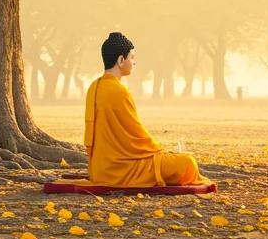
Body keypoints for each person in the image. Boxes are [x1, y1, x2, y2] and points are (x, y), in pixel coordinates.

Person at [83, 31, 210, 187]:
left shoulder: (93, 87)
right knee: (187, 162)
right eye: (132, 57)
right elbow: (136, 136)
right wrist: (159, 151)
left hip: (98, 169)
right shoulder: (119, 91)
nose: (134, 62)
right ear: (121, 60)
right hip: (125, 168)